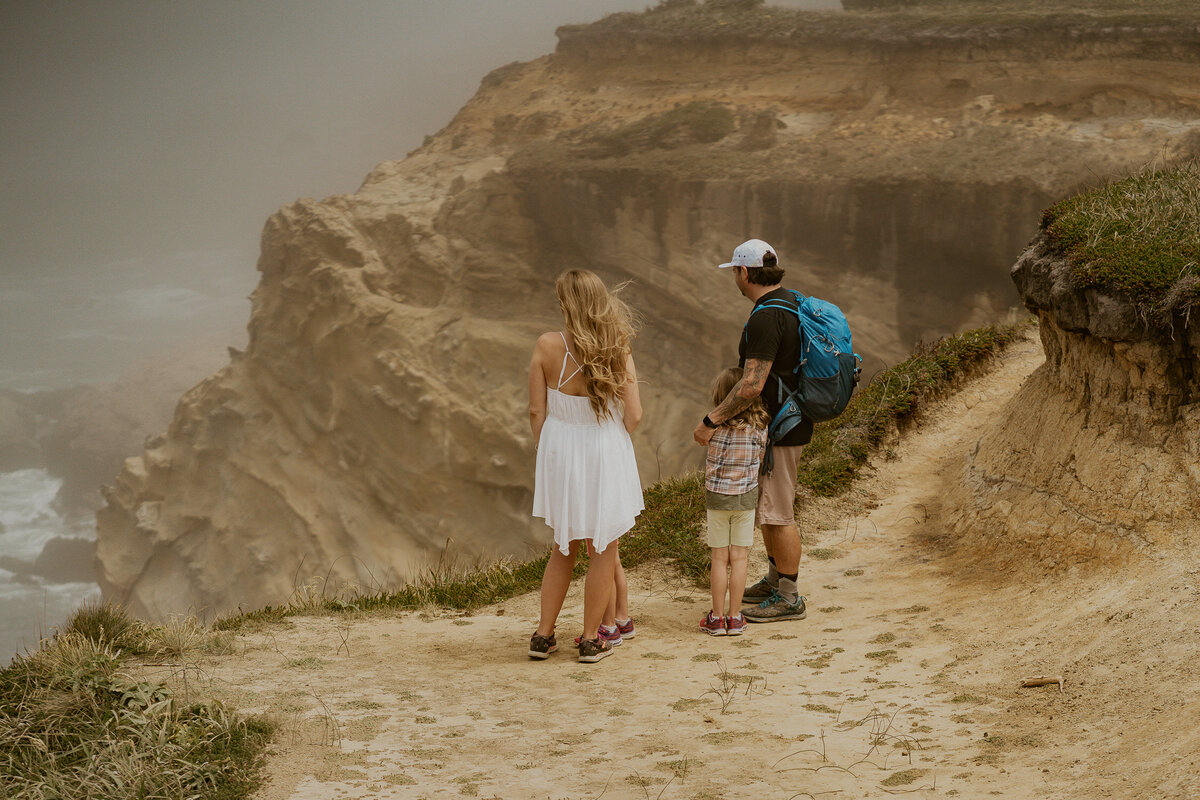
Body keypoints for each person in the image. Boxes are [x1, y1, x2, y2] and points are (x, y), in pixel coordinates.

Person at [527, 269, 644, 663]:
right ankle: (592, 639)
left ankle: (543, 637)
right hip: (603, 448)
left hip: (562, 451)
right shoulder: (617, 347)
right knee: (603, 549)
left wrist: (551, 451)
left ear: (566, 304)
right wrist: (613, 437)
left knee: (564, 547)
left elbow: (534, 411)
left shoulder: (547, 346)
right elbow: (635, 415)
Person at [693, 239, 810, 623]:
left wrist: (713, 420)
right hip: (782, 422)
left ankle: (789, 596)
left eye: (735, 273)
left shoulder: (764, 317)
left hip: (781, 425)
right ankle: (776, 582)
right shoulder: (790, 301)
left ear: (744, 273)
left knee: (779, 512)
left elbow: (750, 385)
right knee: (770, 508)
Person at [699, 367, 768, 636]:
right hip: (746, 498)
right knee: (739, 558)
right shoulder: (759, 428)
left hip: (717, 498)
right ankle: (735, 617)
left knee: (719, 558)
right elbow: (760, 461)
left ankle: (716, 619)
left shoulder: (713, 429)